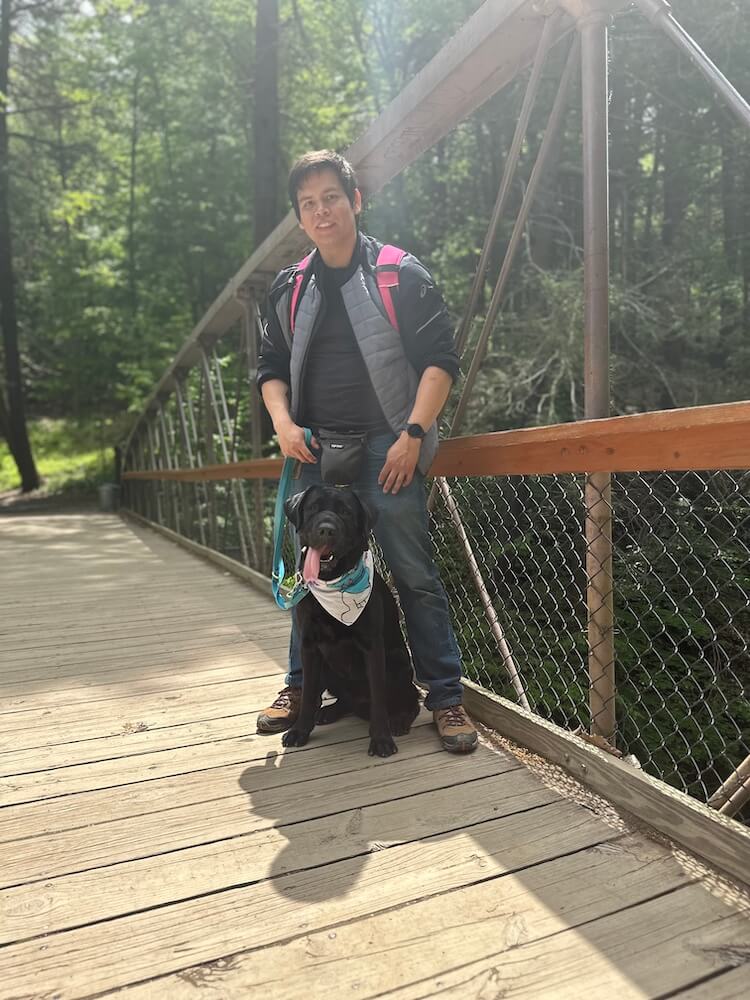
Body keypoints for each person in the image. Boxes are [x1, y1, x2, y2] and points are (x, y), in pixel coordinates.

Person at [255, 149, 477, 753]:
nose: (321, 211)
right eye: (308, 204)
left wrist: (412, 435)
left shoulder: (401, 274)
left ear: (355, 200)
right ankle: (301, 686)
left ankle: (446, 698)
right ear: (300, 218)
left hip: (389, 443)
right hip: (314, 448)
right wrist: (283, 423)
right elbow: (270, 370)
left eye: (331, 197)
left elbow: (441, 362)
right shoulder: (288, 287)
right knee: (309, 574)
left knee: (411, 572)